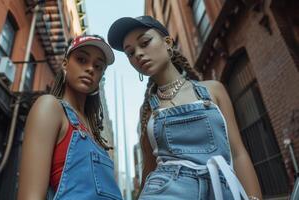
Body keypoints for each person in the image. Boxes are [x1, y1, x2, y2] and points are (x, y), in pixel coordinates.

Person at [108, 16, 262, 200]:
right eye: (130, 53)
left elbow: (237, 153)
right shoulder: (147, 110)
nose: (138, 54)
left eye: (145, 42)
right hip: (164, 192)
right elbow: (149, 168)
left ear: (167, 43)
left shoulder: (213, 90)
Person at [17, 35, 122, 200]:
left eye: (98, 66)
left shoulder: (95, 135)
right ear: (65, 64)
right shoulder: (49, 107)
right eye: (81, 59)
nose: (90, 69)